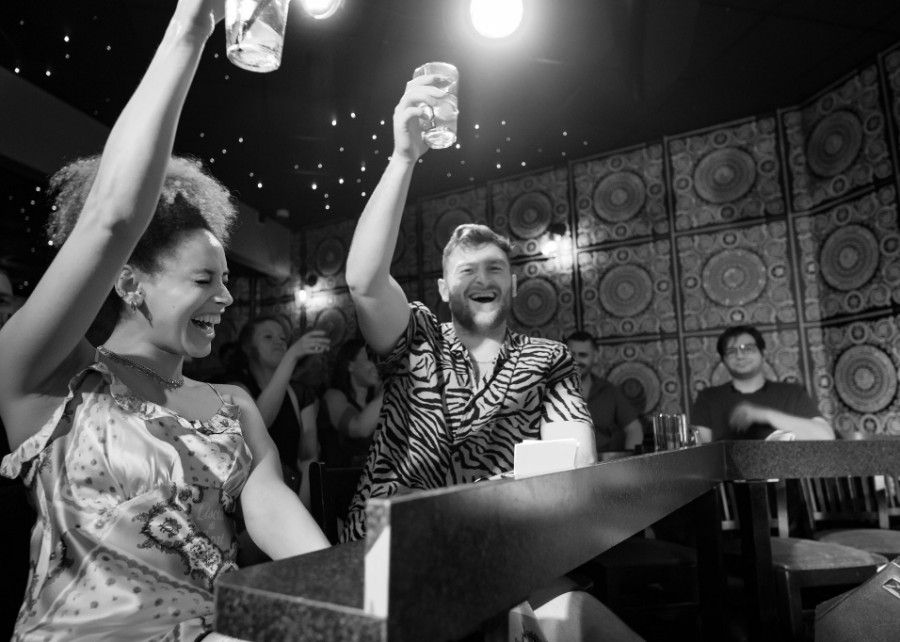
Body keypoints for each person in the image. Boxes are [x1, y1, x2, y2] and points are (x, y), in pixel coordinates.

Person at [0, 2, 329, 639]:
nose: (226, 298)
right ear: (129, 281)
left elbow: (278, 518)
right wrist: (192, 26)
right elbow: (114, 218)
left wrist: (359, 598)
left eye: (226, 280)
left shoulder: (232, 406)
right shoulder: (51, 378)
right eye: (203, 281)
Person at [340, 71, 643, 642]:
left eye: (495, 268)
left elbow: (574, 462)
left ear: (513, 283)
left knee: (582, 622)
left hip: (509, 553)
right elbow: (362, 282)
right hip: (394, 551)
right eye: (466, 271)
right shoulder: (417, 338)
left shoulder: (547, 358)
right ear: (442, 288)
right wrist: (403, 158)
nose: (482, 279)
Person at [227, 317, 330, 508]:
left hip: (292, 491)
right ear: (248, 348)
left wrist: (303, 504)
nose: (279, 342)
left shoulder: (299, 393)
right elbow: (258, 425)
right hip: (250, 498)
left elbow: (308, 456)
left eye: (283, 338)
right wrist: (292, 355)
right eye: (268, 337)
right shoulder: (236, 388)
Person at [690, 325, 834, 443]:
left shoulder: (791, 392)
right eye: (731, 351)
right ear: (724, 361)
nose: (740, 356)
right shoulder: (708, 397)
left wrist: (763, 414)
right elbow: (700, 452)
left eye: (748, 349)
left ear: (763, 354)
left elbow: (825, 436)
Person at [564, 330, 643, 453]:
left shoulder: (609, 391)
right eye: (572, 355)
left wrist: (630, 459)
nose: (576, 360)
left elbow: (634, 429)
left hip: (604, 462)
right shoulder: (551, 391)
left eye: (583, 355)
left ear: (595, 356)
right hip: (565, 461)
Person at [318, 338, 383, 468]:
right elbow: (359, 428)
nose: (377, 364)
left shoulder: (376, 399)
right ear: (350, 365)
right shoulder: (333, 396)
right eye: (370, 359)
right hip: (342, 477)